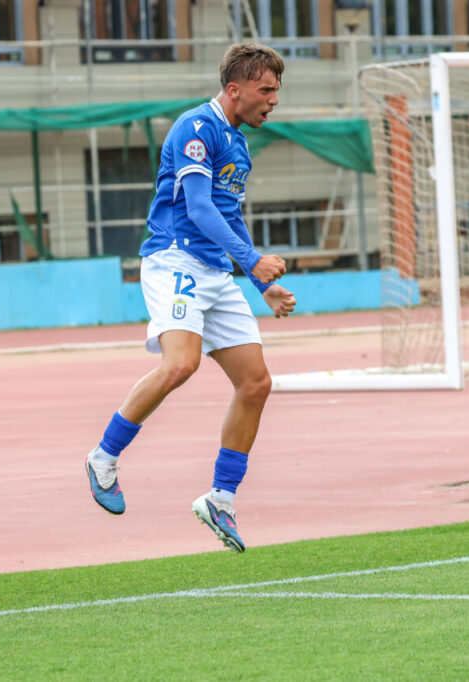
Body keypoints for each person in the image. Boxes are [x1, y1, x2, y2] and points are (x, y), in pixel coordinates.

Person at [84, 43, 296, 553]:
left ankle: (220, 499)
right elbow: (199, 209)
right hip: (174, 260)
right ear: (235, 89)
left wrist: (262, 285)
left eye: (276, 92)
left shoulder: (239, 145)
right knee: (182, 365)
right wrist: (254, 262)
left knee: (256, 383)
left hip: (218, 273)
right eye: (266, 90)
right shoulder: (195, 128)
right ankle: (103, 458)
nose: (273, 101)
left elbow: (228, 215)